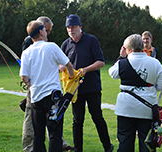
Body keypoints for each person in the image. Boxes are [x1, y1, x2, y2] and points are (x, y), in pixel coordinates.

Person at [59, 14, 114, 152]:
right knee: (77, 120)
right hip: (74, 89)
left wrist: (86, 69)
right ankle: (78, 149)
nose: (71, 30)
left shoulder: (91, 40)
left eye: (73, 27)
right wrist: (61, 67)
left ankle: (108, 146)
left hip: (92, 87)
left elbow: (101, 62)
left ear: (80, 27)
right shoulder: (65, 44)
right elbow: (59, 63)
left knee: (97, 117)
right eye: (68, 28)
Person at [20, 20, 74, 152]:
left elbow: (24, 77)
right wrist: (72, 77)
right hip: (53, 98)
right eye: (45, 30)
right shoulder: (52, 46)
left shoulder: (26, 52)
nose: (46, 32)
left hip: (36, 98)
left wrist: (31, 85)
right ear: (40, 31)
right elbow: (68, 65)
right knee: (55, 134)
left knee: (38, 135)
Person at [108, 34, 162, 152]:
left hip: (126, 109)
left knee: (125, 142)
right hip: (147, 109)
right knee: (146, 143)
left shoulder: (122, 63)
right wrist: (151, 89)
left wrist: (121, 57)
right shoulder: (154, 62)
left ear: (128, 49)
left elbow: (112, 73)